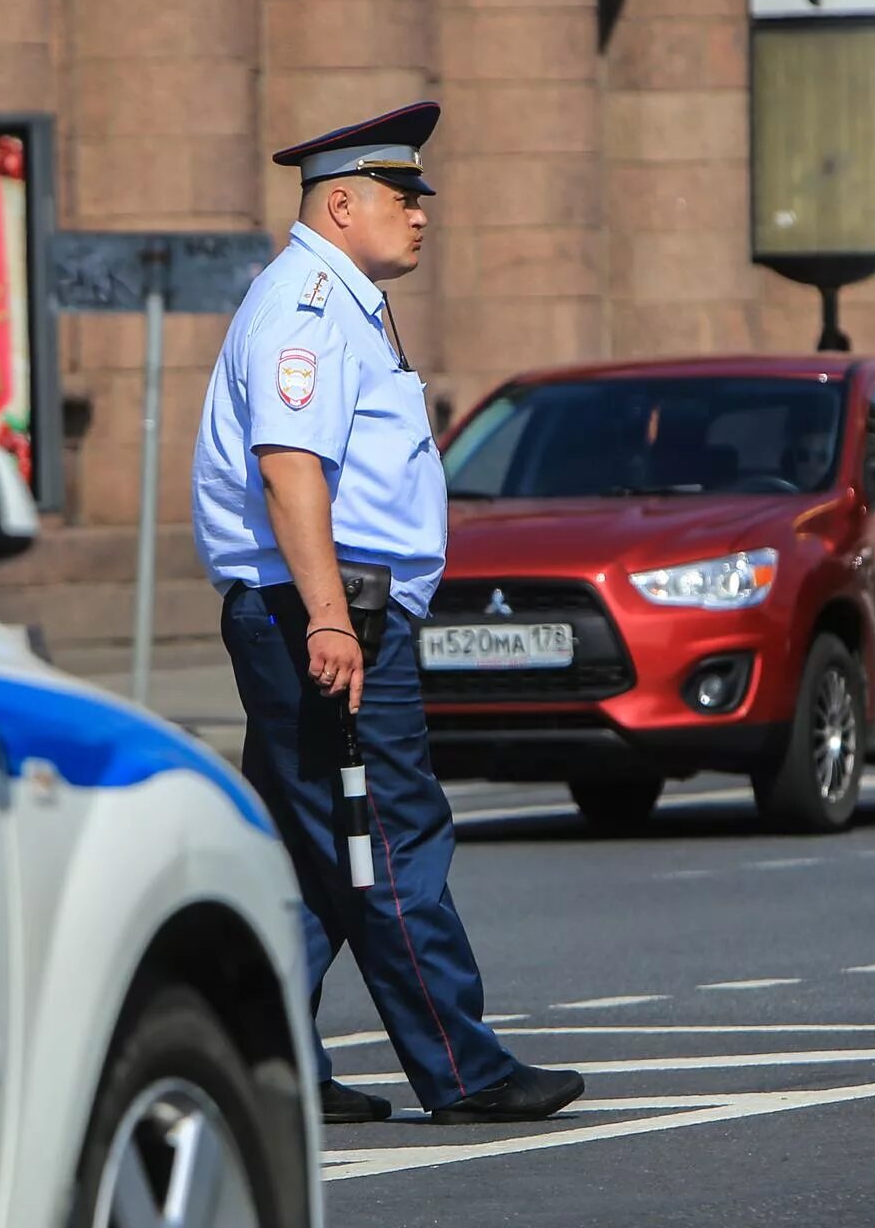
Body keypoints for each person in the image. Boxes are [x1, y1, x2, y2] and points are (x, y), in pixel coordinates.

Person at [190, 101, 585, 1125]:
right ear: (343, 201)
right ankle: (462, 1066)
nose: (421, 216)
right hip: (327, 608)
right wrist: (329, 617)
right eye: (405, 197)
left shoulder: (341, 301)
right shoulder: (308, 311)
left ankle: (267, 1056)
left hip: (327, 604)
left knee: (311, 851)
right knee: (392, 833)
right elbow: (291, 470)